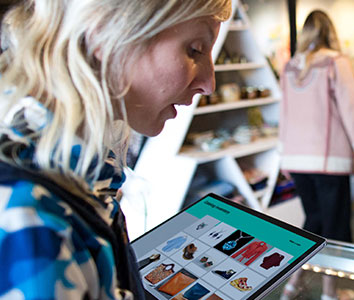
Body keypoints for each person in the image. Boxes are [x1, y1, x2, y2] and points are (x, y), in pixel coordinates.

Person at [0, 0, 230, 298]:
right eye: (194, 49)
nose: (208, 83)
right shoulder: (31, 222)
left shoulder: (83, 173)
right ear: (106, 34)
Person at [278, 10, 354, 300]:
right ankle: (328, 291)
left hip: (297, 160)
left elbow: (284, 115)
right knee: (333, 227)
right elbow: (353, 111)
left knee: (314, 221)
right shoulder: (336, 62)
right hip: (328, 161)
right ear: (329, 31)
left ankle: (292, 284)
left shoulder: (289, 67)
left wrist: (283, 155)